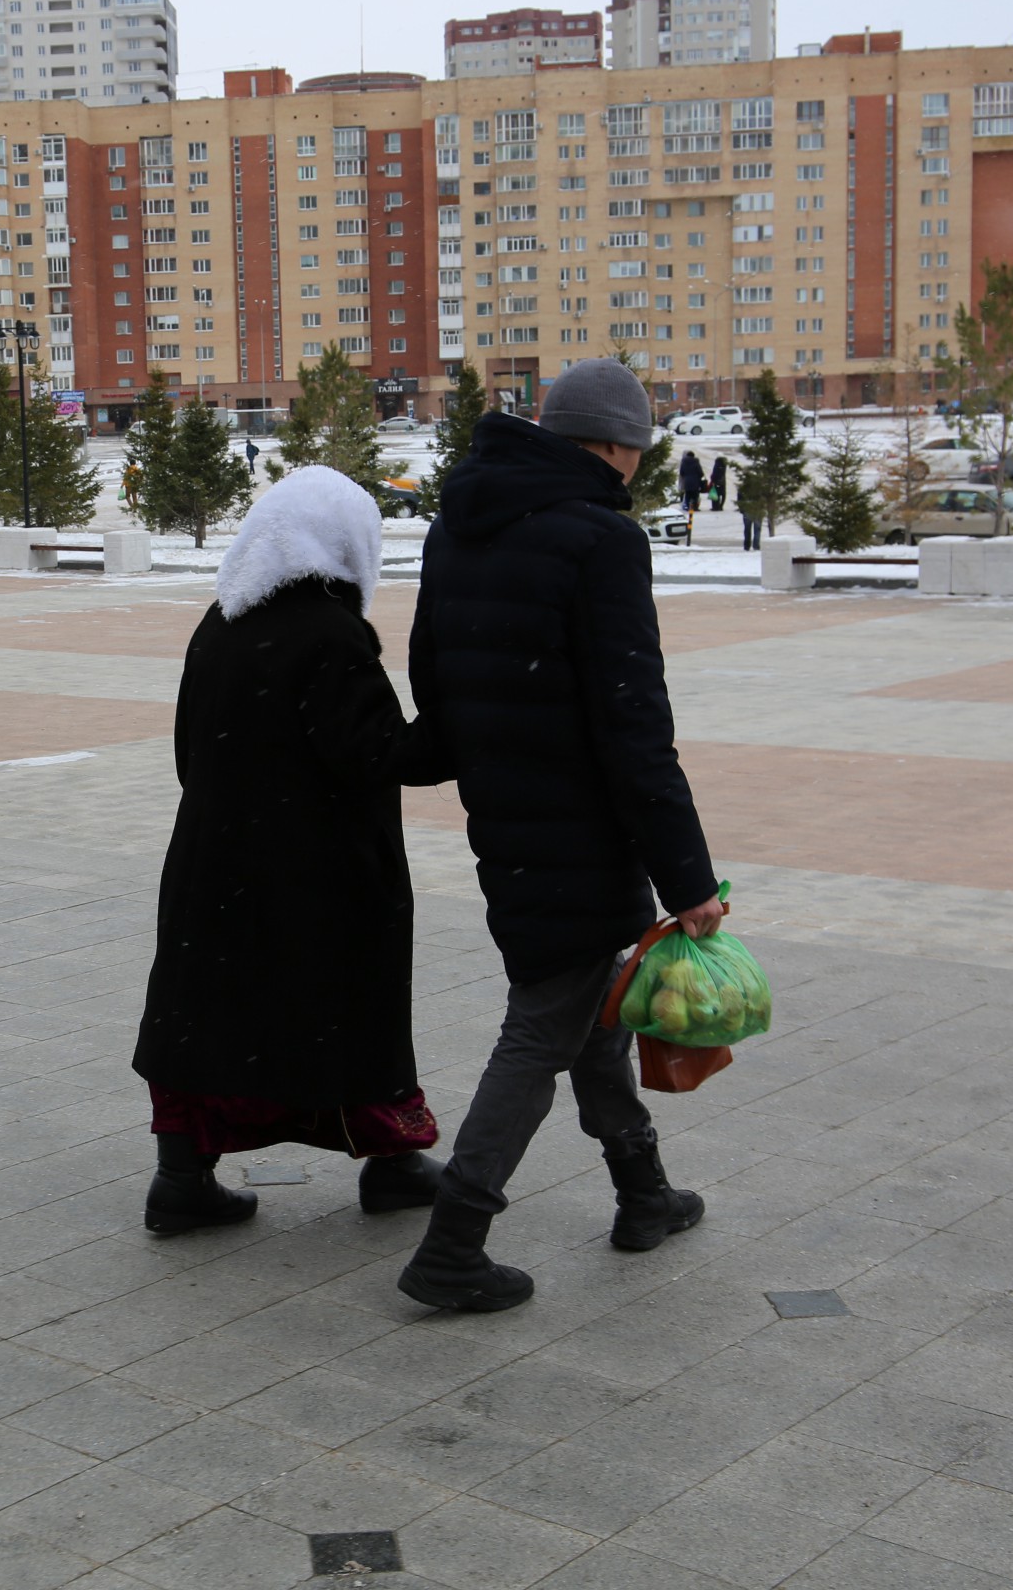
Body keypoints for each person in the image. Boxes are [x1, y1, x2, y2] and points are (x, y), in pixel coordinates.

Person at [398, 358, 722, 1313]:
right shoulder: (601, 539)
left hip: (504, 815)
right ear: (621, 446)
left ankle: (643, 1191)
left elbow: (433, 677)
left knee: (588, 1006)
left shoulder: (460, 525)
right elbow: (634, 721)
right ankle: (454, 1242)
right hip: (584, 826)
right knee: (545, 1022)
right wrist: (689, 879)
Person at [132, 467, 450, 1234]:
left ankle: (181, 1178)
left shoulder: (221, 622)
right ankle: (392, 1161)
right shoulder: (330, 633)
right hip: (320, 878)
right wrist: (459, 719)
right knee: (348, 1011)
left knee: (204, 1015)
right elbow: (377, 755)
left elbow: (188, 751)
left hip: (213, 864)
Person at [677, 449, 705, 519]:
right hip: (695, 481)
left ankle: (688, 506)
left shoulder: (684, 462)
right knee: (695, 495)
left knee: (688, 494)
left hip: (687, 481)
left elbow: (681, 472)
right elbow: (700, 472)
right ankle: (695, 507)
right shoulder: (696, 462)